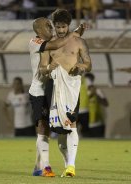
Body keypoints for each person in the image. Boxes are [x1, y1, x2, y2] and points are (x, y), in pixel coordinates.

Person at [28, 17, 85, 177]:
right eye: (47, 26)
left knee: (52, 128)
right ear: (39, 30)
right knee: (43, 128)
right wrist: (76, 32)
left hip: (51, 89)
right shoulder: (35, 42)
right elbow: (59, 44)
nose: (51, 28)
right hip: (38, 90)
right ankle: (46, 167)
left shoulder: (50, 41)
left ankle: (38, 166)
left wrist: (77, 33)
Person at [40, 9, 92, 178]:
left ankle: (71, 166)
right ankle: (66, 162)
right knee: (59, 131)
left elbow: (88, 64)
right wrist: (48, 68)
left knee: (71, 124)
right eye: (58, 27)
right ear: (54, 26)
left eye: (63, 27)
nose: (61, 30)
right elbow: (42, 68)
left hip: (71, 87)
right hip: (53, 87)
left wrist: (81, 67)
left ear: (68, 25)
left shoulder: (79, 42)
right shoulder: (48, 44)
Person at [85, 72, 109, 137]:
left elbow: (106, 103)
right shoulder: (81, 92)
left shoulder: (97, 91)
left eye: (90, 80)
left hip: (97, 123)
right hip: (85, 123)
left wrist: (97, 97)